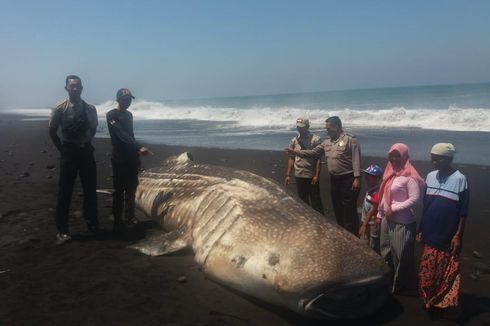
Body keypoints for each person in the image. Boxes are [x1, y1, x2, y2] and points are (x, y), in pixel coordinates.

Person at [417, 143, 469, 317]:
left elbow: (463, 212)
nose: (434, 163)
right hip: (430, 231)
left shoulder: (460, 179)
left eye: (437, 160)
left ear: (448, 160)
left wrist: (457, 236)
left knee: (445, 270)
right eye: (432, 159)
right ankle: (428, 299)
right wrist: (420, 228)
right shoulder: (430, 176)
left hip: (447, 234)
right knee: (427, 270)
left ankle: (441, 302)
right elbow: (426, 205)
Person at [286, 116, 361, 234]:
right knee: (337, 207)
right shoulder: (327, 142)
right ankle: (343, 233)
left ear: (336, 127)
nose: (327, 131)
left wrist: (357, 178)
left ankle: (353, 235)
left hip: (348, 178)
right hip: (334, 179)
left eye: (328, 128)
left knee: (349, 209)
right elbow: (313, 152)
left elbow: (356, 159)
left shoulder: (350, 140)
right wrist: (295, 152)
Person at [49, 75, 99, 245]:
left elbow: (93, 127)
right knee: (65, 192)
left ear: (82, 88)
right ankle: (62, 230)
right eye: (72, 86)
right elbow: (52, 131)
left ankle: (92, 222)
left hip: (85, 152)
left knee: (90, 189)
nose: (75, 89)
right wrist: (62, 150)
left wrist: (87, 141)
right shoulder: (59, 108)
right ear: (66, 88)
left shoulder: (90, 108)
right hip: (68, 152)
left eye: (78, 86)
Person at [377, 143, 425, 294]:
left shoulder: (409, 176)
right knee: (386, 251)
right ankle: (389, 278)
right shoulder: (390, 173)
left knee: (401, 255)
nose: (394, 158)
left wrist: (394, 209)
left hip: (402, 222)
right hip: (387, 219)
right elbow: (384, 196)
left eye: (398, 155)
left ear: (404, 156)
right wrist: (380, 214)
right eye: (392, 155)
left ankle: (402, 285)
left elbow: (415, 199)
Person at [106, 88, 152, 233]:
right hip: (119, 157)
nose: (127, 102)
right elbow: (121, 135)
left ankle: (129, 217)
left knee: (132, 188)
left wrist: (136, 154)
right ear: (118, 100)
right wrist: (139, 147)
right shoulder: (111, 115)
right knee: (119, 189)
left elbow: (130, 136)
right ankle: (117, 219)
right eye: (125, 99)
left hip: (131, 157)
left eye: (129, 99)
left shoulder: (129, 115)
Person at [284, 118, 324, 214]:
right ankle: (308, 220)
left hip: (311, 174)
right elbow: (291, 158)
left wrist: (316, 175)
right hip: (299, 174)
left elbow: (318, 159)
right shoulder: (294, 141)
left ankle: (321, 221)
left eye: (302, 127)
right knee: (302, 201)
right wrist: (288, 174)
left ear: (307, 127)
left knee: (316, 201)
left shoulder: (316, 139)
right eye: (298, 127)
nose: (299, 129)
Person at [358, 164, 383, 253]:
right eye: (367, 176)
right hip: (366, 221)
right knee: (365, 241)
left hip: (372, 223)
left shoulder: (377, 192)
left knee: (373, 244)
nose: (366, 178)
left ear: (377, 179)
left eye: (370, 177)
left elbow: (372, 210)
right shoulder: (371, 190)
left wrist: (364, 225)